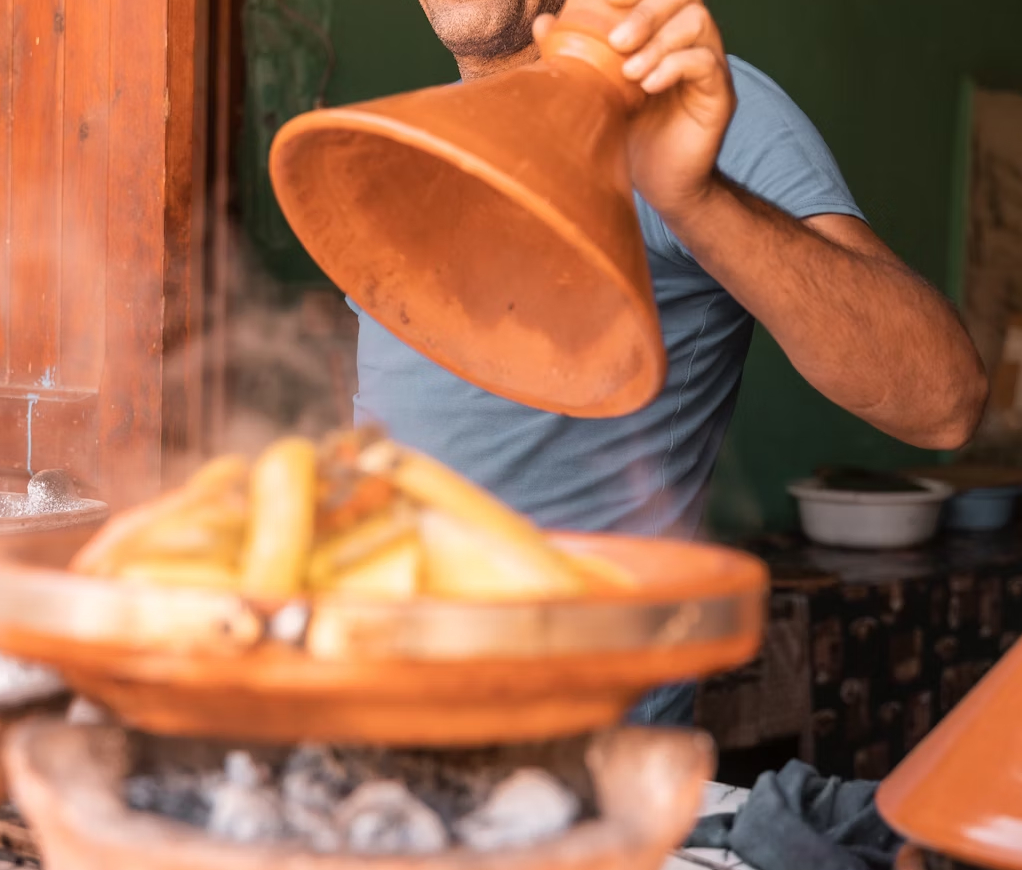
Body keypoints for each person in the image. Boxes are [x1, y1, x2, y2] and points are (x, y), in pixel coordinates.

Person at [347, 0, 989, 727]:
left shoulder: (685, 101)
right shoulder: (404, 141)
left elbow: (943, 401)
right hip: (371, 705)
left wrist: (695, 197)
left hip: (580, 747)